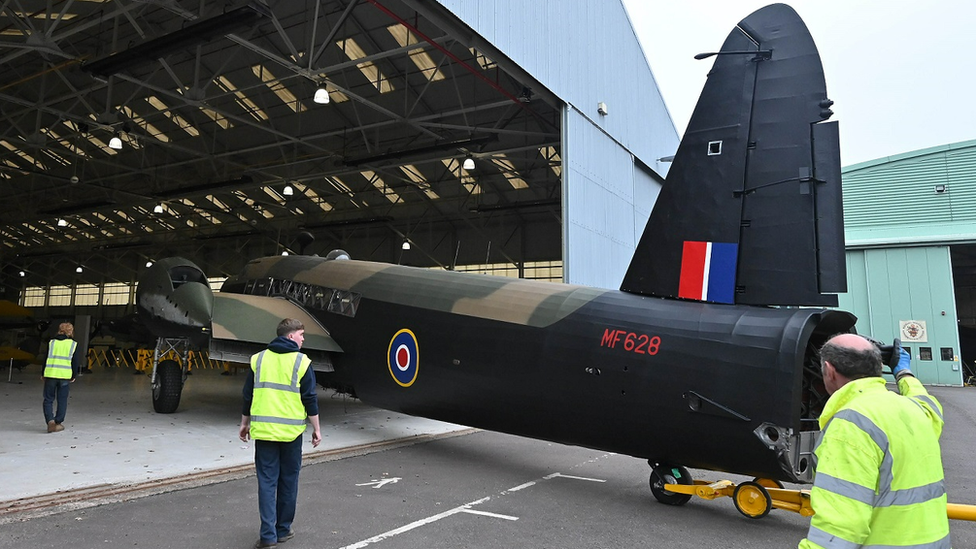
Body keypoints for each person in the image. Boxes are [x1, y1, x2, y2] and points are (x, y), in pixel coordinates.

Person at [799, 334, 949, 548]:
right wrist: (903, 372)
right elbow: (929, 407)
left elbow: (838, 529)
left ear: (829, 371)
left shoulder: (849, 426)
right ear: (877, 368)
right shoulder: (915, 410)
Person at [239, 318, 321, 549]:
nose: (304, 339)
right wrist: (316, 428)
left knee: (266, 482)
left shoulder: (259, 359)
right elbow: (310, 398)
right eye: (302, 334)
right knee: (288, 481)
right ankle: (282, 530)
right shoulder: (302, 362)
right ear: (291, 336)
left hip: (264, 433)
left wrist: (244, 423)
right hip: (291, 434)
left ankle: (267, 536)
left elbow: (248, 396)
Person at [41, 322, 85, 433]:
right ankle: (58, 422)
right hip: (64, 376)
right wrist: (73, 375)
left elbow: (45, 359)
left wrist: (43, 373)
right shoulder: (73, 344)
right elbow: (74, 362)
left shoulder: (51, 342)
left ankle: (50, 421)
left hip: (50, 374)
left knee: (48, 399)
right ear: (70, 331)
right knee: (62, 400)